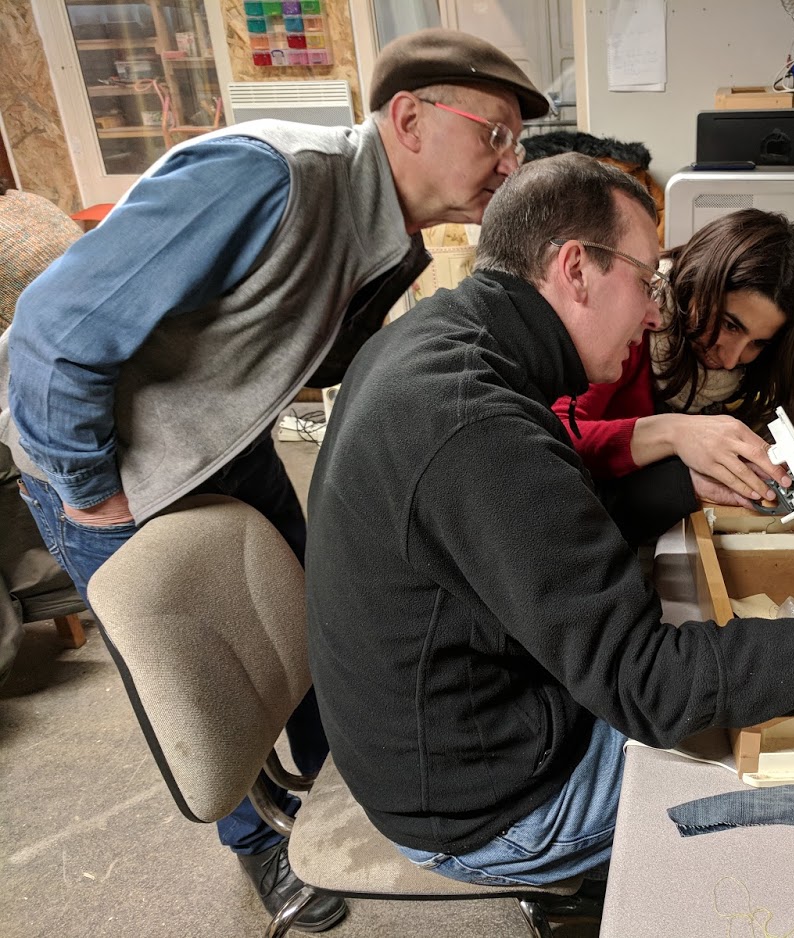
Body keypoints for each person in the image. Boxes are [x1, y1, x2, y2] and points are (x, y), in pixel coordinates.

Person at [304, 152, 794, 889]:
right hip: (496, 807)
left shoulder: (442, 342)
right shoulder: (477, 423)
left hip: (456, 736)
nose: (658, 310)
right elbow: (646, 688)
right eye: (645, 279)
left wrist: (686, 485)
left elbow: (544, 528)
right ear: (575, 268)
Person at [0, 29, 548, 930]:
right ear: (408, 118)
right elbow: (55, 330)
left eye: (516, 141)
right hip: (107, 465)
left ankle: (358, 798)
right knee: (208, 686)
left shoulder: (387, 229)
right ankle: (260, 847)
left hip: (220, 440)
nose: (509, 160)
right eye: (493, 132)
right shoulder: (269, 176)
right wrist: (90, 491)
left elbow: (309, 351)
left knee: (307, 626)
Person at [553, 208, 794, 511]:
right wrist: (674, 433)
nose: (732, 360)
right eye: (730, 325)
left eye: (758, 342)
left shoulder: (747, 367)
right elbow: (555, 437)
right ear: (695, 285)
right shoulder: (630, 324)